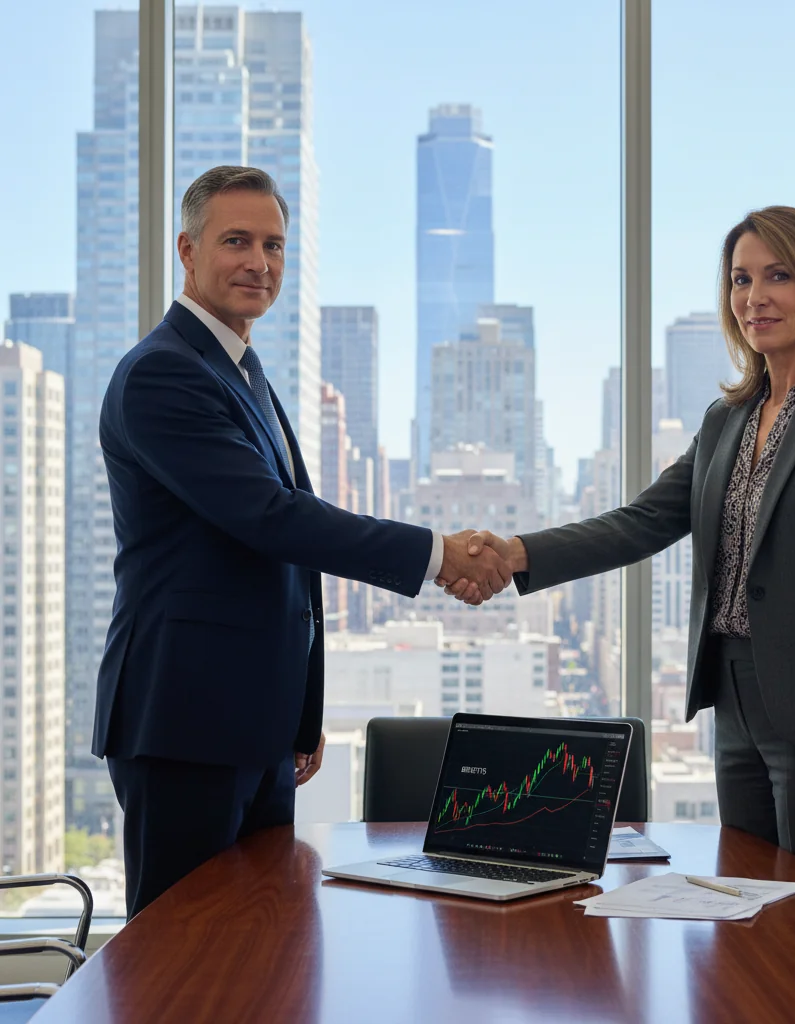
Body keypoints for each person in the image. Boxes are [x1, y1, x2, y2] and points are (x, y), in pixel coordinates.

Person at [441, 206, 795, 891]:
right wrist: (514, 553)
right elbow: (642, 520)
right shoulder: (728, 419)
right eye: (740, 280)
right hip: (732, 702)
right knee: (748, 908)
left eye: (777, 275)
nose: (755, 297)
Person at [95, 165, 512, 918]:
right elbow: (272, 517)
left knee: (262, 947)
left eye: (275, 245)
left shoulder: (240, 370)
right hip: (184, 722)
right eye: (237, 241)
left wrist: (302, 710)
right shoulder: (163, 373)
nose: (260, 262)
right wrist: (440, 554)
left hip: (255, 725)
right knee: (181, 962)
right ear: (187, 251)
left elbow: (285, 559)